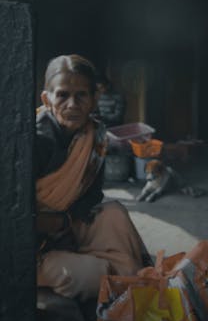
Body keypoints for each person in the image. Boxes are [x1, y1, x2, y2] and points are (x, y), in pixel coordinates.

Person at [35, 54, 150, 302]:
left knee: (114, 214)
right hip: (30, 247)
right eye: (63, 95)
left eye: (81, 95)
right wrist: (54, 226)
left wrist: (65, 225)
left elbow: (91, 197)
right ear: (47, 99)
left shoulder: (95, 138)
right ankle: (117, 281)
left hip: (64, 230)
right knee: (95, 273)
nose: (73, 104)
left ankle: (131, 282)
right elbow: (12, 217)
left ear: (94, 99)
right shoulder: (34, 142)